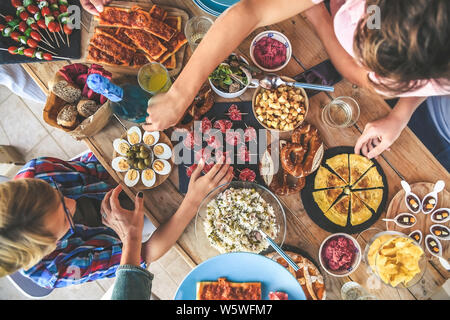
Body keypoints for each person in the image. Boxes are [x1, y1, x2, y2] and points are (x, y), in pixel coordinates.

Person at [143, 0, 449, 162]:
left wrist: (400, 113)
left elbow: (362, 74)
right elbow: (251, 10)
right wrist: (178, 95)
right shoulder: (378, 15)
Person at [0, 152, 233, 289]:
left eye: (58, 194)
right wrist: (193, 201)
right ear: (49, 247)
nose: (71, 203)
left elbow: (101, 166)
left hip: (124, 180)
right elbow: (144, 254)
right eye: (66, 217)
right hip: (130, 237)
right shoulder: (56, 271)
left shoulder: (39, 171)